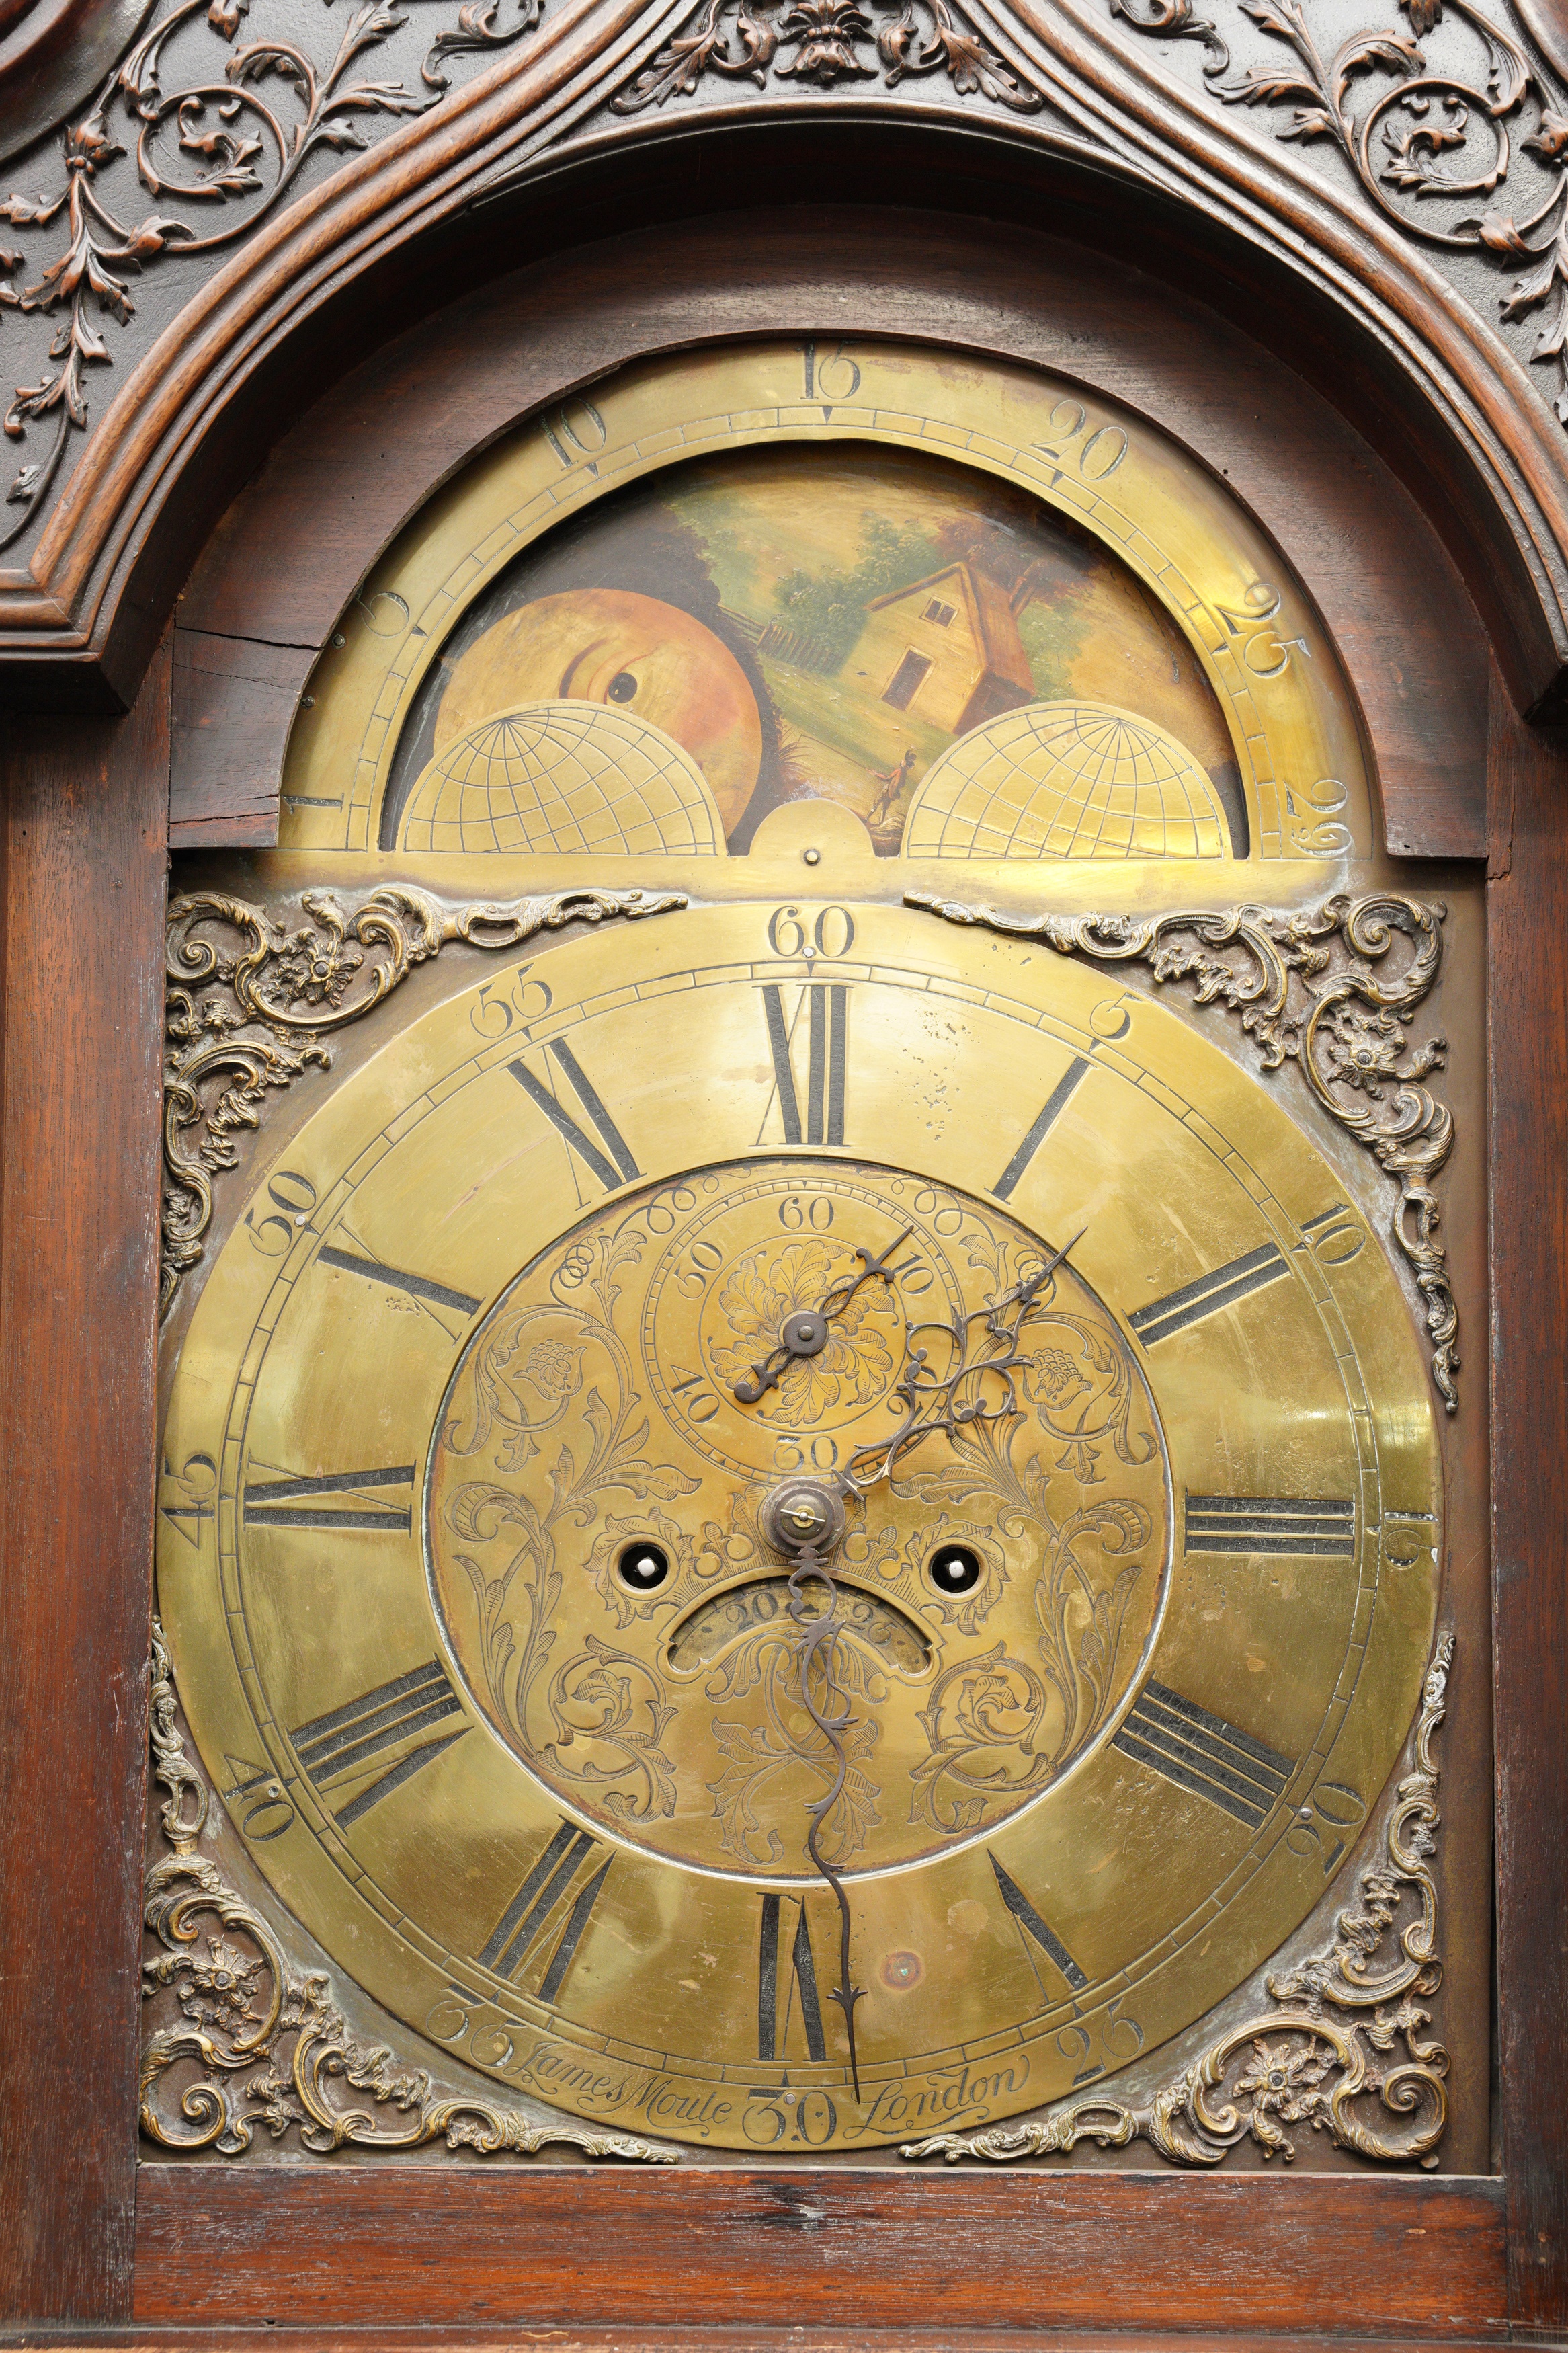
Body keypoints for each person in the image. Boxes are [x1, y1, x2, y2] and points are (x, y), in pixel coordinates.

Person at [870, 748, 916, 824]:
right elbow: (902, 785)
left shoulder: (899, 771)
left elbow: (887, 778)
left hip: (887, 790)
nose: (902, 761)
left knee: (876, 804)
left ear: (905, 764)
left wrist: (876, 774)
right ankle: (880, 824)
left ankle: (866, 819)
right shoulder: (905, 774)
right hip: (892, 793)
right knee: (884, 808)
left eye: (904, 761)